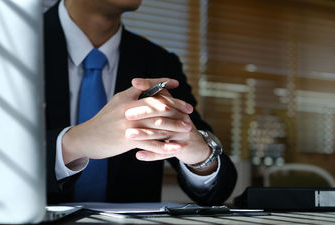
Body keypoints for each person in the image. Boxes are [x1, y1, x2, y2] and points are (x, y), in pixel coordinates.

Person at [44, 0, 237, 205]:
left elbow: (219, 188)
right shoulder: (12, 46)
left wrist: (202, 160)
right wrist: (74, 143)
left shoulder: (159, 62)